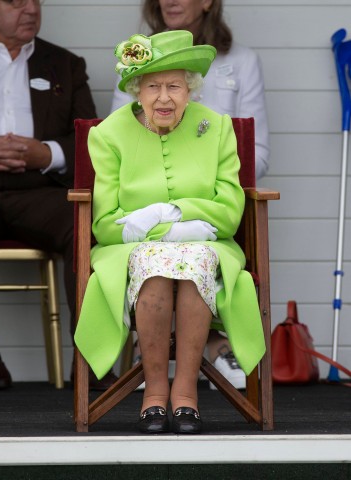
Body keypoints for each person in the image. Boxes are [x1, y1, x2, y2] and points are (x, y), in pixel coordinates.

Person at [74, 29, 265, 434]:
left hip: (209, 245)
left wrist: (164, 212)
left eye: (175, 86)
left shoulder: (217, 127)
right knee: (158, 271)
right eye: (154, 86)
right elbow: (107, 224)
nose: (164, 98)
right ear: (135, 90)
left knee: (193, 266)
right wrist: (185, 225)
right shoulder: (107, 135)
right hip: (128, 251)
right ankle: (154, 393)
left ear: (191, 89)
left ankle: (186, 395)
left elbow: (229, 213)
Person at [110, 0, 270, 391]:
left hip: (218, 209)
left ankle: (210, 350)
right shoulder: (137, 58)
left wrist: (212, 182)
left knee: (196, 258)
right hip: (143, 214)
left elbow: (259, 153)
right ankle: (157, 361)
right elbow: (123, 139)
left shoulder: (242, 61)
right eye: (154, 86)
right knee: (163, 262)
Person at [0, 0, 117, 390]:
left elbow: (92, 141)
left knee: (83, 224)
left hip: (39, 191)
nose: (29, 9)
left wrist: (46, 153)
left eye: (35, 0)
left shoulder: (64, 64)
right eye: (15, 1)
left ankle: (92, 362)